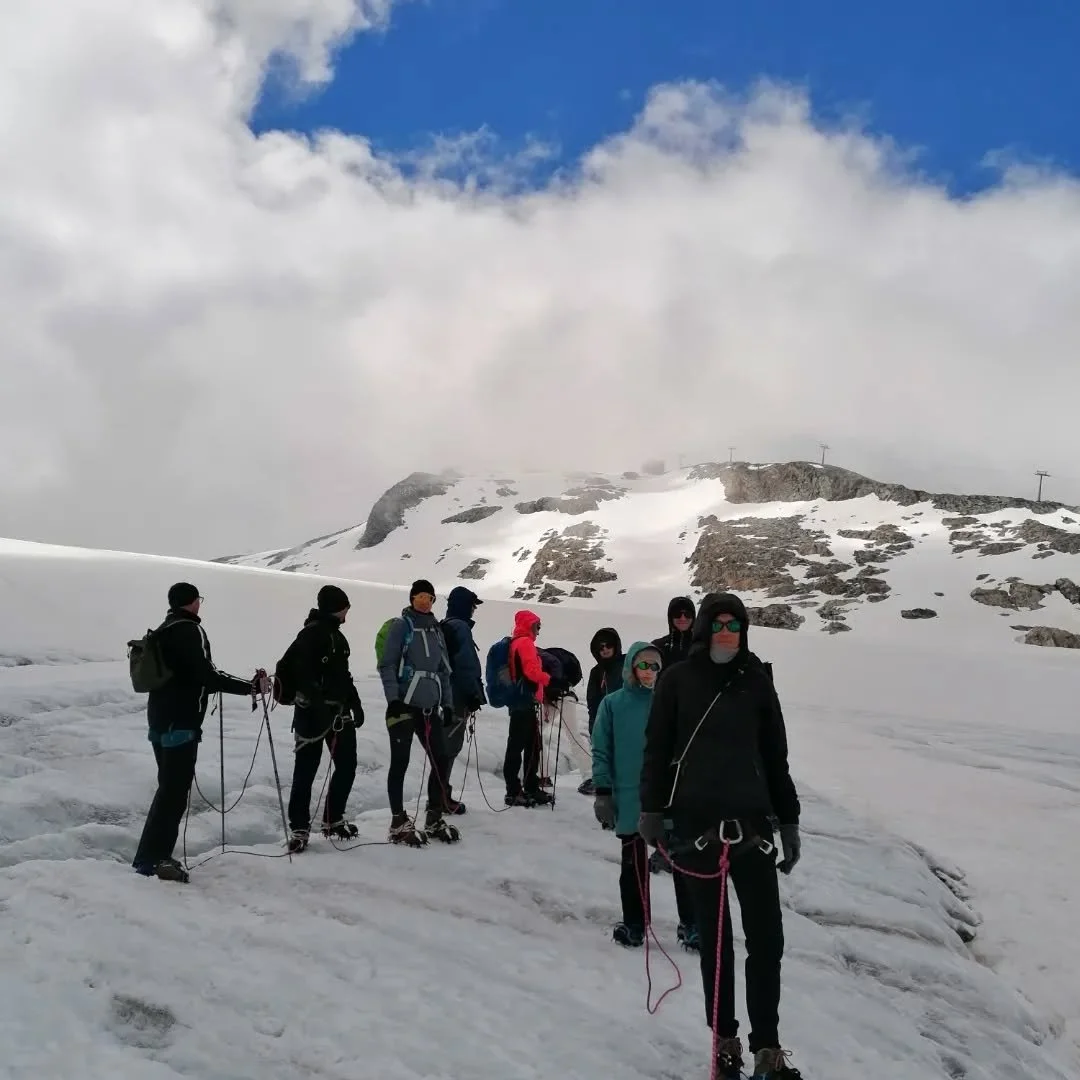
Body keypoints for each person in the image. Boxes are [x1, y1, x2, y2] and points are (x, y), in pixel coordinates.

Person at [639, 591, 802, 1080]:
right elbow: (656, 750)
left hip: (753, 830)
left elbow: (776, 757)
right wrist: (650, 811)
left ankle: (767, 1050)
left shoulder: (756, 682)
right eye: (720, 623)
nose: (727, 631)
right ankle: (724, 1043)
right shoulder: (677, 680)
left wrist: (788, 820)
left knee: (767, 941)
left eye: (736, 623)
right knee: (717, 945)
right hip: (696, 830)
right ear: (704, 627)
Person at [132, 582, 264, 883]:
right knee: (174, 793)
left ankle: (148, 857)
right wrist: (250, 688)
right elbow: (206, 675)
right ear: (193, 602)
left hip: (159, 720)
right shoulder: (191, 631)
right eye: (198, 600)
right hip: (182, 722)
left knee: (167, 789)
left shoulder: (164, 629)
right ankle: (154, 859)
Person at [592, 640, 689, 948]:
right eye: (644, 664)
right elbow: (601, 750)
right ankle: (635, 924)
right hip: (629, 795)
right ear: (632, 667)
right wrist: (603, 792)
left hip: (669, 796)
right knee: (632, 864)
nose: (650, 671)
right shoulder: (613, 703)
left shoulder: (669, 702)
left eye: (655, 665)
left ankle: (692, 924)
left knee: (682, 862)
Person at [281, 585, 365, 853]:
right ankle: (300, 828)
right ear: (337, 607)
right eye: (345, 607)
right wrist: (319, 706)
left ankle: (331, 819)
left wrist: (355, 703)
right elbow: (302, 675)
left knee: (345, 764)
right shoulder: (314, 635)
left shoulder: (333, 636)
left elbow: (343, 676)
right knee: (307, 770)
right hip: (314, 713)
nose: (347, 613)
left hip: (334, 713)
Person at [378, 579, 459, 845]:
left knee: (442, 758)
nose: (425, 601)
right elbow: (387, 664)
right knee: (400, 762)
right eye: (420, 597)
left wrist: (447, 705)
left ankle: (433, 816)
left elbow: (443, 670)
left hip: (429, 708)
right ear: (412, 599)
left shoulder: (436, 629)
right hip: (404, 706)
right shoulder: (403, 626)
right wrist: (393, 699)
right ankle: (398, 820)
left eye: (430, 598)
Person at [439, 585, 487, 812]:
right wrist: (473, 695)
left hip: (443, 696)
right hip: (456, 696)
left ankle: (439, 796)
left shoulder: (444, 626)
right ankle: (441, 798)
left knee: (444, 746)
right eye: (472, 606)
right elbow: (466, 666)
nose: (474, 610)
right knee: (449, 747)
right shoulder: (460, 628)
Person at [501, 609, 553, 807]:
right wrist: (548, 679)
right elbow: (532, 672)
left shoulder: (516, 643)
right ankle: (517, 790)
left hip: (519, 701)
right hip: (525, 701)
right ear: (528, 625)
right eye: (536, 626)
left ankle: (524, 787)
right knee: (525, 746)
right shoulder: (525, 643)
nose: (538, 631)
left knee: (526, 744)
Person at [578, 628, 623, 795]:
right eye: (600, 646)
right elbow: (593, 704)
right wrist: (593, 728)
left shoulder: (627, 666)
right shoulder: (596, 673)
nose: (604, 649)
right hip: (605, 725)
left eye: (608, 645)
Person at [651, 595, 696, 672]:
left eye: (687, 614)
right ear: (670, 618)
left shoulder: (703, 647)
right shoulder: (657, 647)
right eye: (677, 614)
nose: (683, 618)